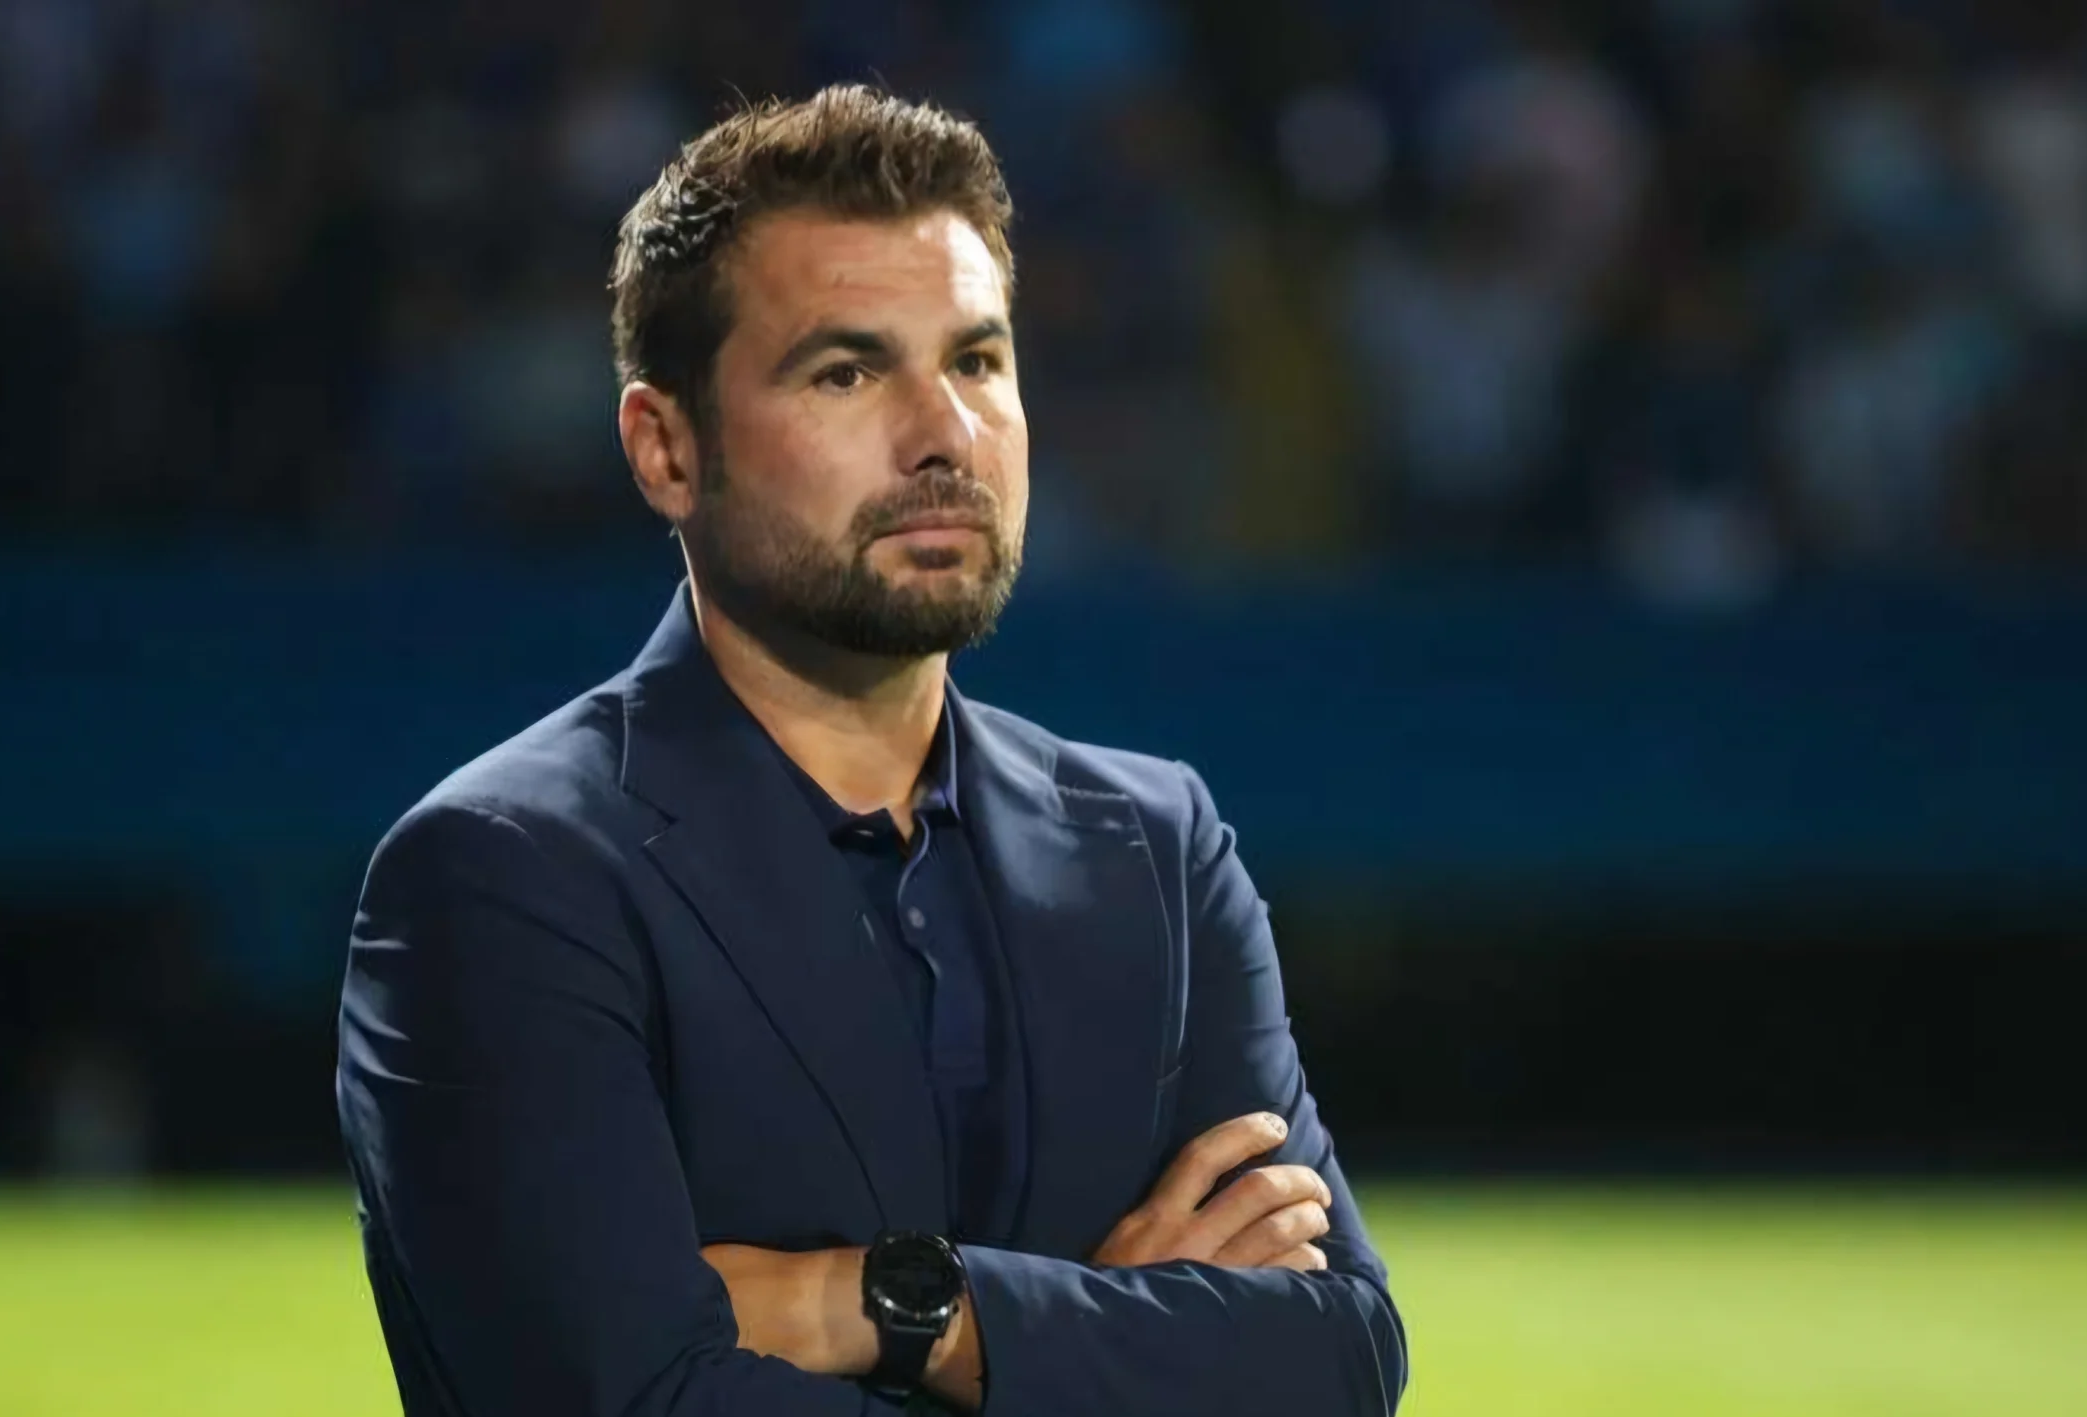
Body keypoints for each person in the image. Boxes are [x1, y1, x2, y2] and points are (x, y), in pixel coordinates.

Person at [336, 85, 1405, 1416]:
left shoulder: (1156, 848)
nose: (944, 435)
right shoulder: (503, 876)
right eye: (845, 373)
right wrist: (1115, 1340)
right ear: (666, 450)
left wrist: (895, 1306)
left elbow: (1339, 1361)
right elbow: (630, 1402)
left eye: (978, 361)